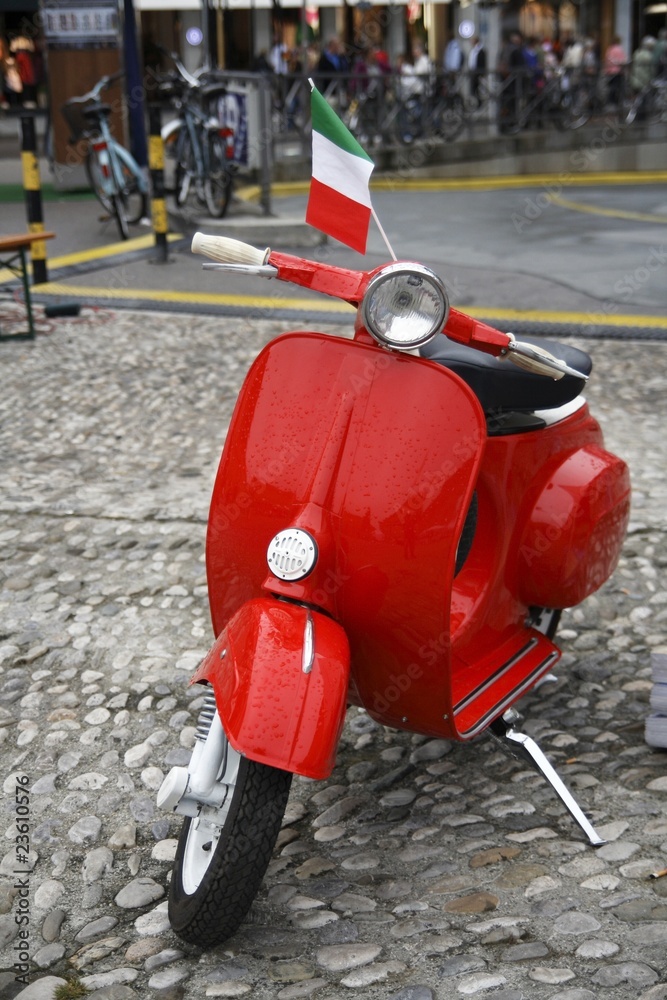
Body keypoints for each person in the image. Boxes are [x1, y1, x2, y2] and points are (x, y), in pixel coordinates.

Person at [603, 35, 627, 108]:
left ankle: (610, 101)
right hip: (617, 71)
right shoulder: (619, 49)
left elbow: (607, 59)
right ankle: (617, 102)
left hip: (609, 71)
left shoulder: (609, 49)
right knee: (618, 87)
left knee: (611, 87)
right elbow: (623, 60)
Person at [467, 36, 487, 106]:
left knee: (477, 88)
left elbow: (482, 63)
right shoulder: (473, 50)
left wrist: (482, 72)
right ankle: (476, 102)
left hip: (478, 72)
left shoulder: (481, 51)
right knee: (473, 88)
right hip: (473, 71)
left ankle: (480, 103)